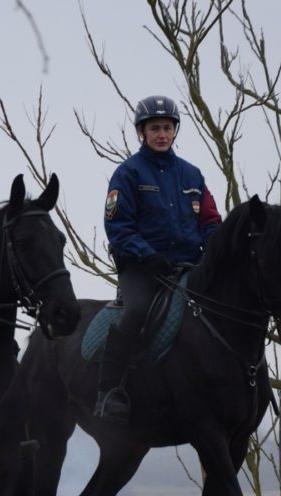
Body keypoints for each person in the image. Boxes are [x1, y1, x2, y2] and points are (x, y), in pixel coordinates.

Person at [95, 95, 222, 423]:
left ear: (175, 131)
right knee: (136, 312)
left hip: (189, 265)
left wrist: (211, 253)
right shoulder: (127, 174)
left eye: (167, 128)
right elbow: (117, 226)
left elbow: (210, 222)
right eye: (155, 128)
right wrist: (147, 255)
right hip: (141, 268)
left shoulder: (193, 176)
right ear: (142, 132)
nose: (162, 134)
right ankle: (109, 391)